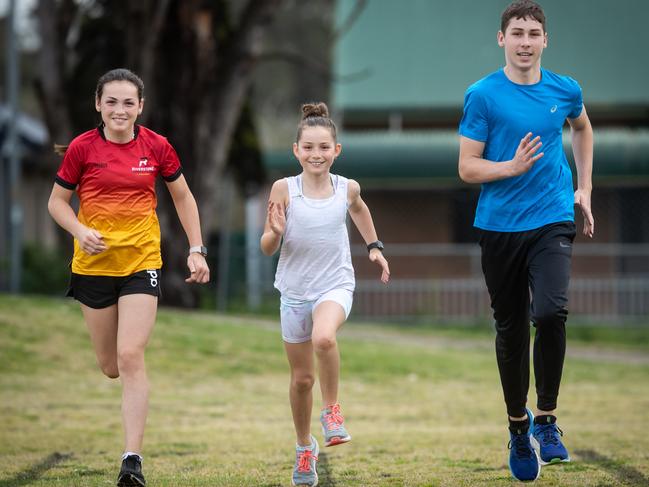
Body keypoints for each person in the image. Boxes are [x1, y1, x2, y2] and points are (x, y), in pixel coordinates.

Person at [47, 68, 210, 487]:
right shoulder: (82, 148)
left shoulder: (156, 146)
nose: (120, 110)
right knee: (110, 366)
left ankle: (131, 460)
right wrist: (80, 231)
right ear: (98, 105)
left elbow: (183, 196)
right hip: (93, 267)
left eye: (128, 102)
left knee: (131, 356)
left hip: (142, 263)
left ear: (141, 106)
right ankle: (129, 441)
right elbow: (56, 203)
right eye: (112, 102)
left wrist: (196, 249)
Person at [458, 0, 594, 482]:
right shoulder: (483, 95)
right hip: (498, 226)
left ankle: (548, 420)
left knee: (551, 312)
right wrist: (509, 168)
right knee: (512, 330)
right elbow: (467, 166)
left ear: (544, 41)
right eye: (516, 32)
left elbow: (582, 126)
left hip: (552, 217)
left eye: (533, 33)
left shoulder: (565, 89)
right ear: (502, 39)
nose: (525, 42)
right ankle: (519, 427)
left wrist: (584, 186)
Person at [260, 102, 390, 487]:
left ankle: (332, 412)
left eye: (324, 147)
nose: (316, 154)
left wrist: (374, 246)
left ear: (337, 150)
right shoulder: (284, 189)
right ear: (296, 151)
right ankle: (304, 448)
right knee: (301, 380)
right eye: (309, 147)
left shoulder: (347, 188)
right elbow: (267, 247)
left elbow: (360, 211)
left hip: (335, 285)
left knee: (324, 336)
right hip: (294, 292)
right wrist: (276, 231)